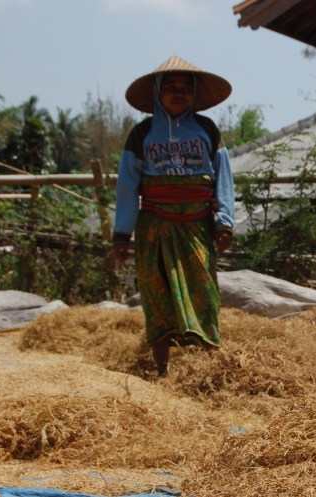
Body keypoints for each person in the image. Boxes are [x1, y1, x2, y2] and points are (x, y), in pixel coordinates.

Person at [112, 55, 235, 377]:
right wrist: (121, 234)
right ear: (157, 92)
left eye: (185, 88)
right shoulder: (141, 135)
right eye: (170, 87)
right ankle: (162, 370)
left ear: (194, 93)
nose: (178, 93)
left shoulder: (207, 130)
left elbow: (223, 178)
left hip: (197, 227)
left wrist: (224, 224)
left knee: (205, 293)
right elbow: (127, 186)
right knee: (157, 295)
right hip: (155, 228)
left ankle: (213, 367)